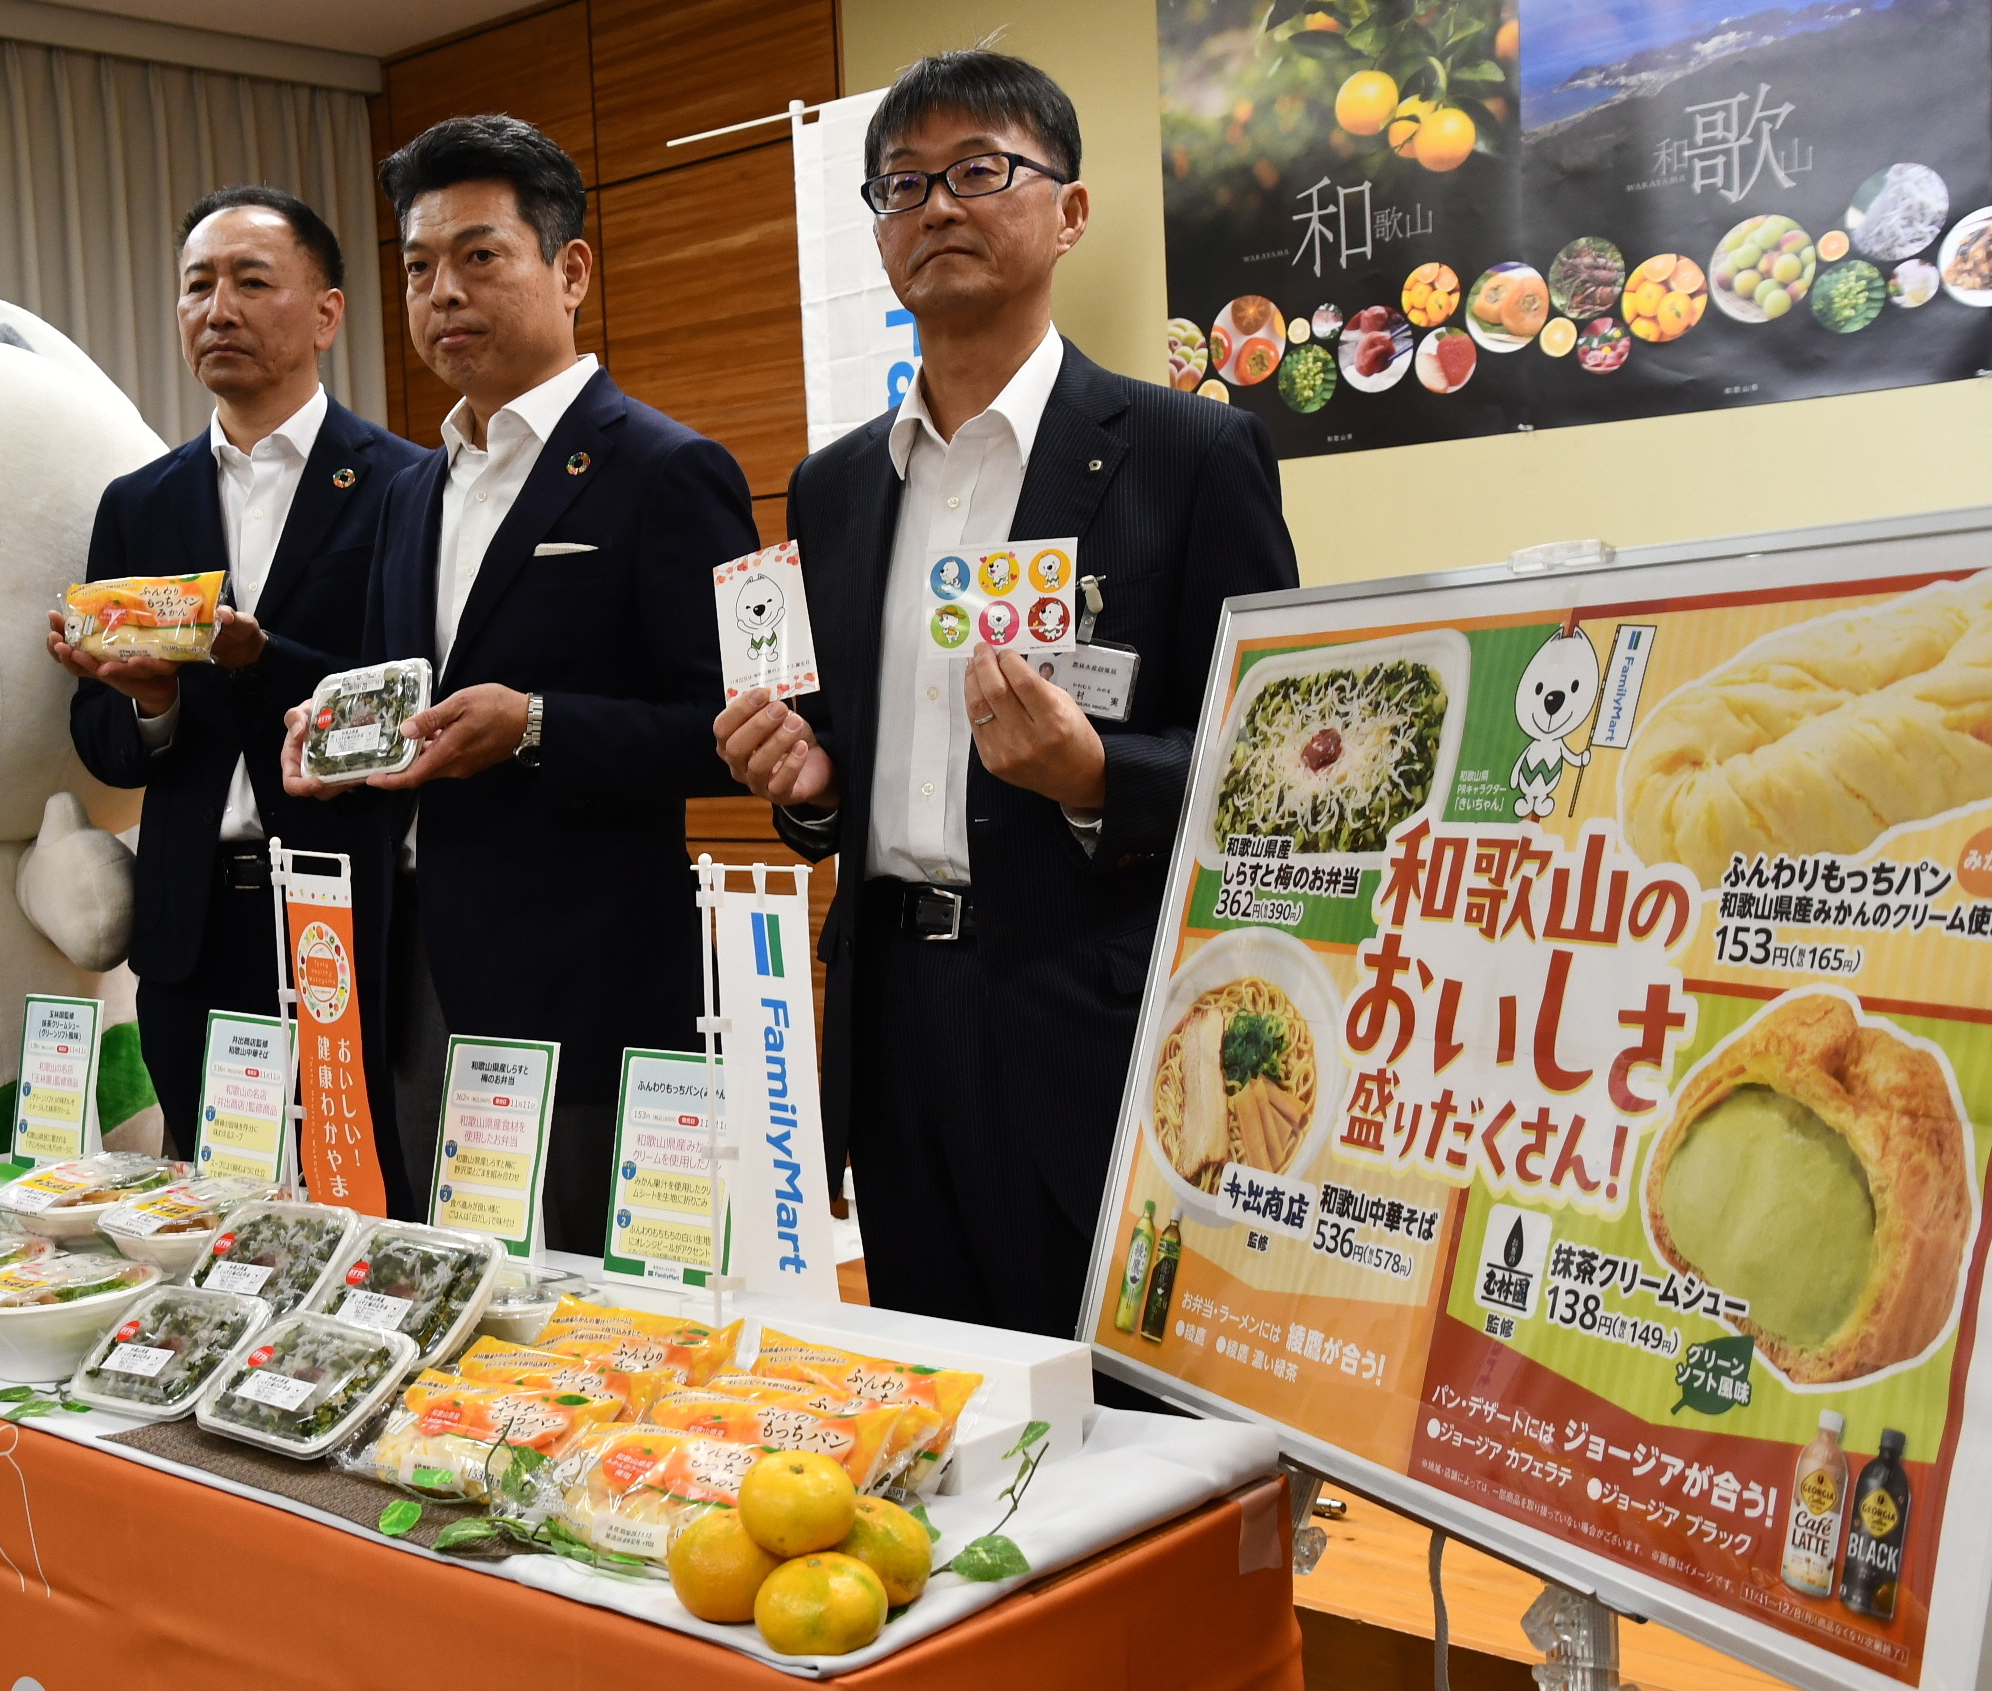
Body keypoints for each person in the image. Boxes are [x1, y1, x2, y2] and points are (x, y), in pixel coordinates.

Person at [714, 51, 1299, 1341]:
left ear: (1068, 210)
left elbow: (1271, 773)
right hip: (891, 1019)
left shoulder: (1189, 452)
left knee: (1121, 1401)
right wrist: (807, 782)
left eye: (977, 171)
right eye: (901, 184)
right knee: (943, 1391)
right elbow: (844, 754)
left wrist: (1095, 777)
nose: (935, 206)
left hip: (1087, 1014)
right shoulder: (832, 486)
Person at [279, 115, 756, 1247]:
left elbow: (732, 731)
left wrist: (536, 726)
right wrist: (336, 734)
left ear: (570, 269)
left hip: (585, 978)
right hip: (409, 972)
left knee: (582, 1304)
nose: (442, 291)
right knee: (441, 1280)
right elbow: (402, 688)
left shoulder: (667, 469)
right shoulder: (408, 488)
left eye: (479, 255)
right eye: (417, 268)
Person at [50, 185, 428, 1178]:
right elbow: (98, 736)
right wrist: (152, 702)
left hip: (349, 908)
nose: (218, 309)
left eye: (251, 282)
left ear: (326, 314)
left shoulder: (406, 484)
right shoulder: (138, 502)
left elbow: (410, 698)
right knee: (211, 1202)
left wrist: (260, 659)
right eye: (197, 285)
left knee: (365, 1194)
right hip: (192, 923)